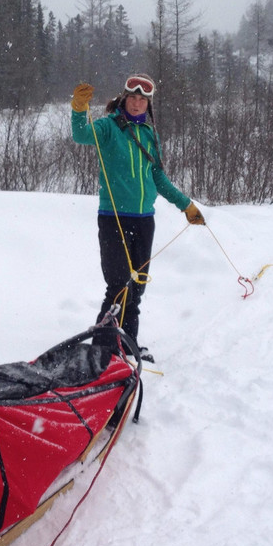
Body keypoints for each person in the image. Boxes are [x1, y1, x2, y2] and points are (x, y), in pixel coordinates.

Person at [70, 74, 205, 357]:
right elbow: (81, 134)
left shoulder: (149, 134)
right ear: (124, 98)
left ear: (148, 103)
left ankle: (128, 347)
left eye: (142, 98)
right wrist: (79, 108)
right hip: (113, 218)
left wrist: (186, 205)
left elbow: (158, 177)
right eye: (132, 97)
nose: (136, 102)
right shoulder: (108, 128)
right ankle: (103, 352)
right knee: (119, 286)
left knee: (136, 287)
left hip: (144, 220)